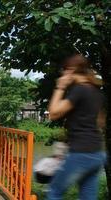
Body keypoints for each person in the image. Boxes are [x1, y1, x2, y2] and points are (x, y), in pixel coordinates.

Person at [47, 54, 106, 200]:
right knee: (88, 197)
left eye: (64, 70)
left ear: (71, 70)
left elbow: (53, 113)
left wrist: (60, 87)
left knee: (55, 191)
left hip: (81, 153)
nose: (62, 74)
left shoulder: (79, 90)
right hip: (97, 154)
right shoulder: (97, 92)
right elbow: (100, 123)